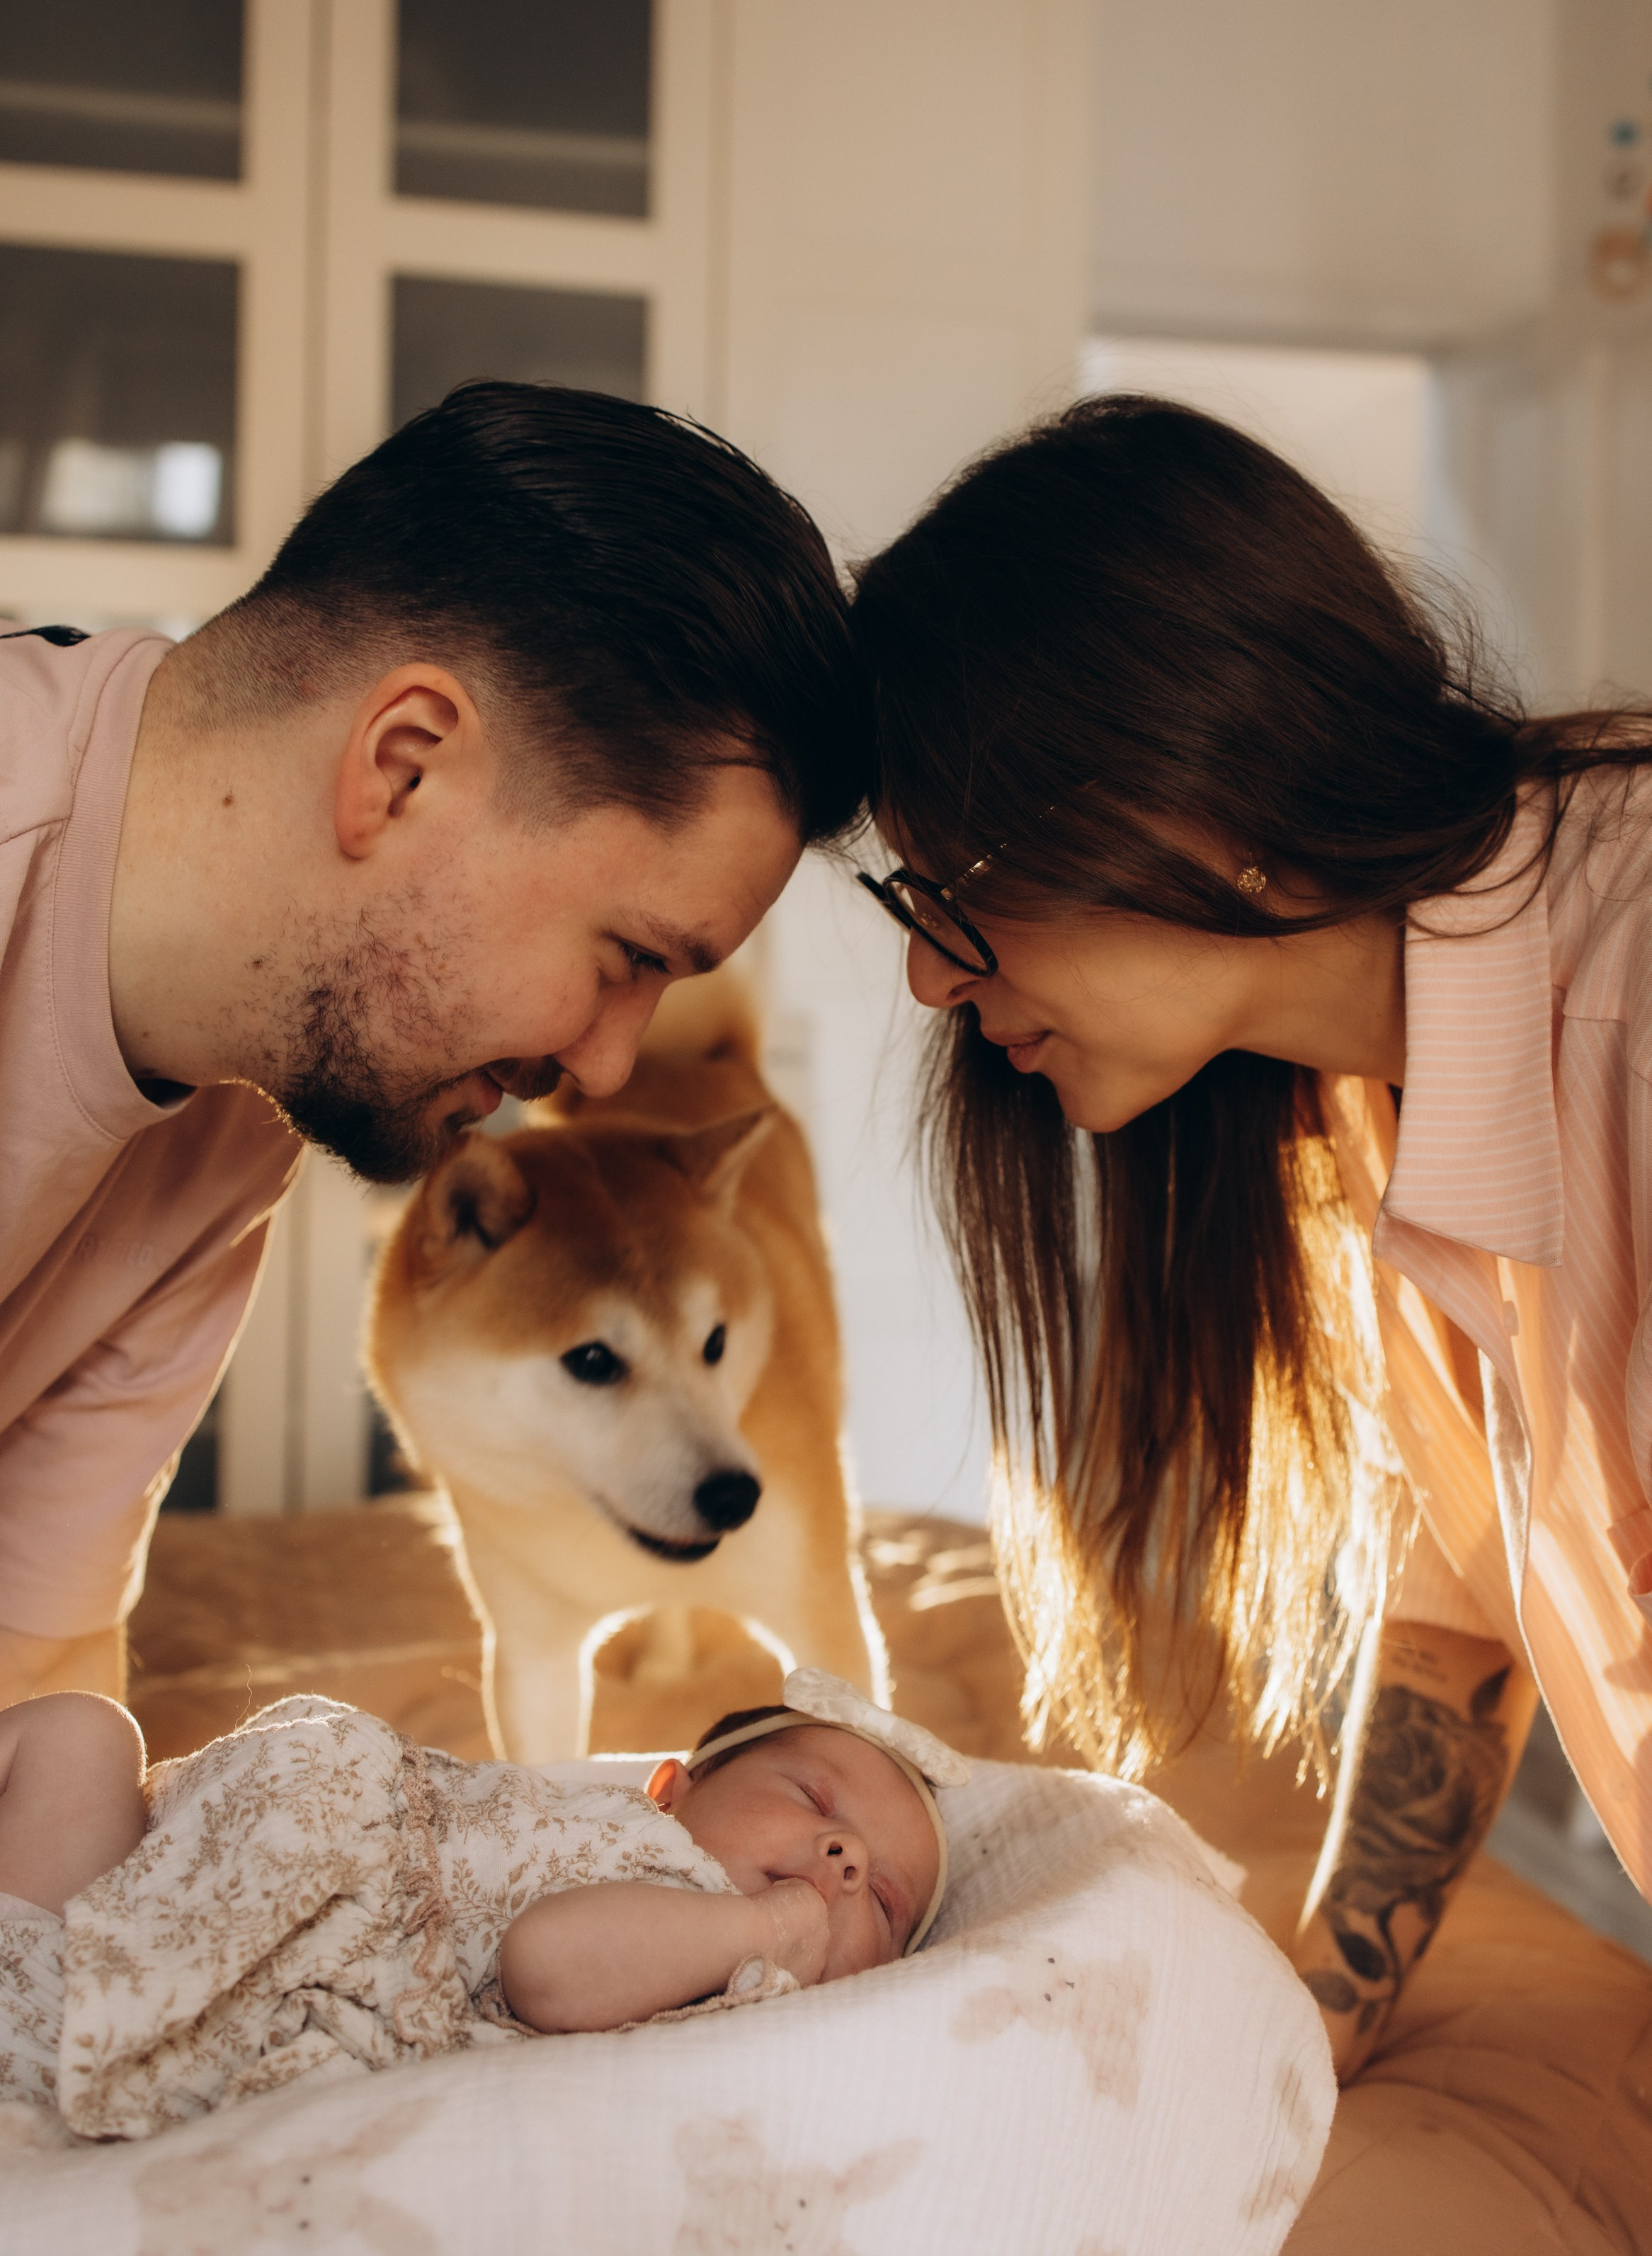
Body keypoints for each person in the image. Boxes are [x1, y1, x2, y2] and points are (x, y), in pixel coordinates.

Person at [850, 392, 1652, 2081]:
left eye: (954, 889)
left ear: (1192, 793)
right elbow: (1463, 1608)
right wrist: (1319, 2024)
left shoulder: (1632, 987)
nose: (930, 975)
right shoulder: (1344, 1090)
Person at [0, 382, 868, 1721]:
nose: (609, 1071)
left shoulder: (231, 1112)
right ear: (404, 767)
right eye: (625, 955)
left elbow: (39, 1658)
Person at [0, 1670, 961, 2133]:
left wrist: (769, 1927)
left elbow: (549, 1967)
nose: (842, 1860)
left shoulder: (740, 1980)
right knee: (82, 1731)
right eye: (812, 1801)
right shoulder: (622, 1835)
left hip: (156, 2014)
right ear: (669, 1790)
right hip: (166, 1913)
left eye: (880, 1897)